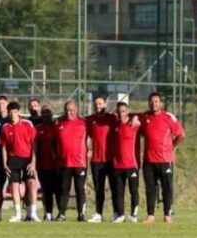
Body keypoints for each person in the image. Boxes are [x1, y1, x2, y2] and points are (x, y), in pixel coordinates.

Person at [138, 92, 184, 224]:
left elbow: (181, 135)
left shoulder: (168, 117)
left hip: (165, 160)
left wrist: (172, 146)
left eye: (156, 101)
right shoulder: (144, 117)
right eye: (151, 101)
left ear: (161, 103)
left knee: (167, 189)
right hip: (148, 160)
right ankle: (150, 215)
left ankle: (167, 215)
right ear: (149, 103)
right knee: (150, 189)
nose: (154, 103)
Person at [0, 101, 39, 222]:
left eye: (15, 112)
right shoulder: (5, 127)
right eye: (10, 112)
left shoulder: (28, 124)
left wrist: (33, 162)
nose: (12, 115)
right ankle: (17, 214)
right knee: (14, 186)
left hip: (27, 159)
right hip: (13, 159)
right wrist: (5, 163)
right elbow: (4, 147)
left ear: (19, 112)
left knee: (31, 184)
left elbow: (34, 144)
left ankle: (32, 213)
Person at [55, 101, 90, 222]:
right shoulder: (59, 123)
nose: (69, 112)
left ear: (76, 110)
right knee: (64, 189)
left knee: (80, 189)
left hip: (80, 163)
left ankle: (81, 214)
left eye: (72, 110)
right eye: (67, 110)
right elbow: (53, 142)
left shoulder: (84, 123)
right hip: (64, 163)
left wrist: (90, 151)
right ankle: (61, 214)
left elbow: (94, 137)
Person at [109, 101, 141, 223]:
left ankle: (134, 215)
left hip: (132, 164)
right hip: (118, 164)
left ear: (128, 111)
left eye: (123, 111)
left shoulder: (134, 124)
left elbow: (143, 116)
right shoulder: (116, 125)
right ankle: (120, 214)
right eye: (119, 111)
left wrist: (136, 117)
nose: (121, 113)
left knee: (133, 190)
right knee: (119, 191)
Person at [85, 95, 115, 223]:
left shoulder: (112, 118)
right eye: (96, 104)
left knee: (115, 188)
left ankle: (117, 213)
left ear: (105, 104)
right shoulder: (90, 120)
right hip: (96, 160)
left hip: (111, 159)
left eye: (100, 104)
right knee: (99, 189)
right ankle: (99, 213)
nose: (98, 106)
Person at [35, 107, 60, 221]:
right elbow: (35, 147)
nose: (46, 115)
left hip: (56, 165)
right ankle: (48, 213)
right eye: (43, 113)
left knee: (58, 190)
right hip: (42, 165)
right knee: (46, 191)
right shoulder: (38, 129)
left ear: (52, 114)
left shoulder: (57, 128)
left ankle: (61, 212)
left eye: (48, 113)